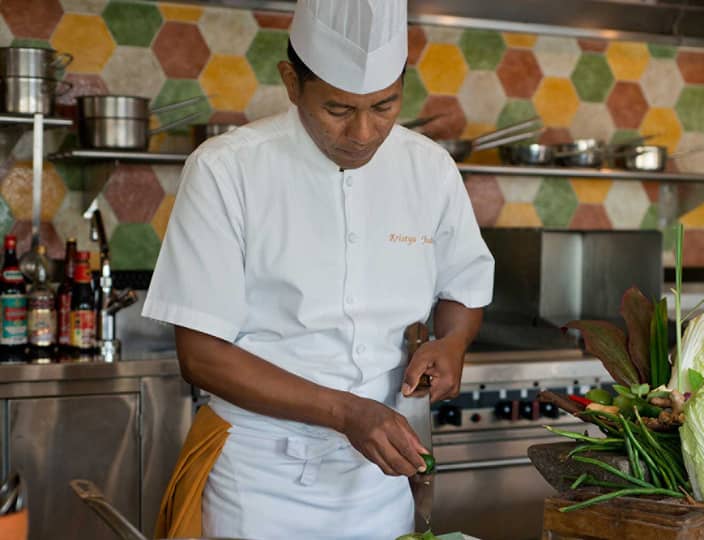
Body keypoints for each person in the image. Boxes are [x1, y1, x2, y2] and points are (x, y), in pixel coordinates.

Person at [142, 1, 494, 538]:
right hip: (258, 482)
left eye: (384, 106)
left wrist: (452, 343)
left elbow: (464, 286)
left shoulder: (430, 169)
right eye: (337, 109)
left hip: (379, 477)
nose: (363, 132)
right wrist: (346, 413)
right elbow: (202, 356)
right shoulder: (225, 169)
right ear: (291, 81)